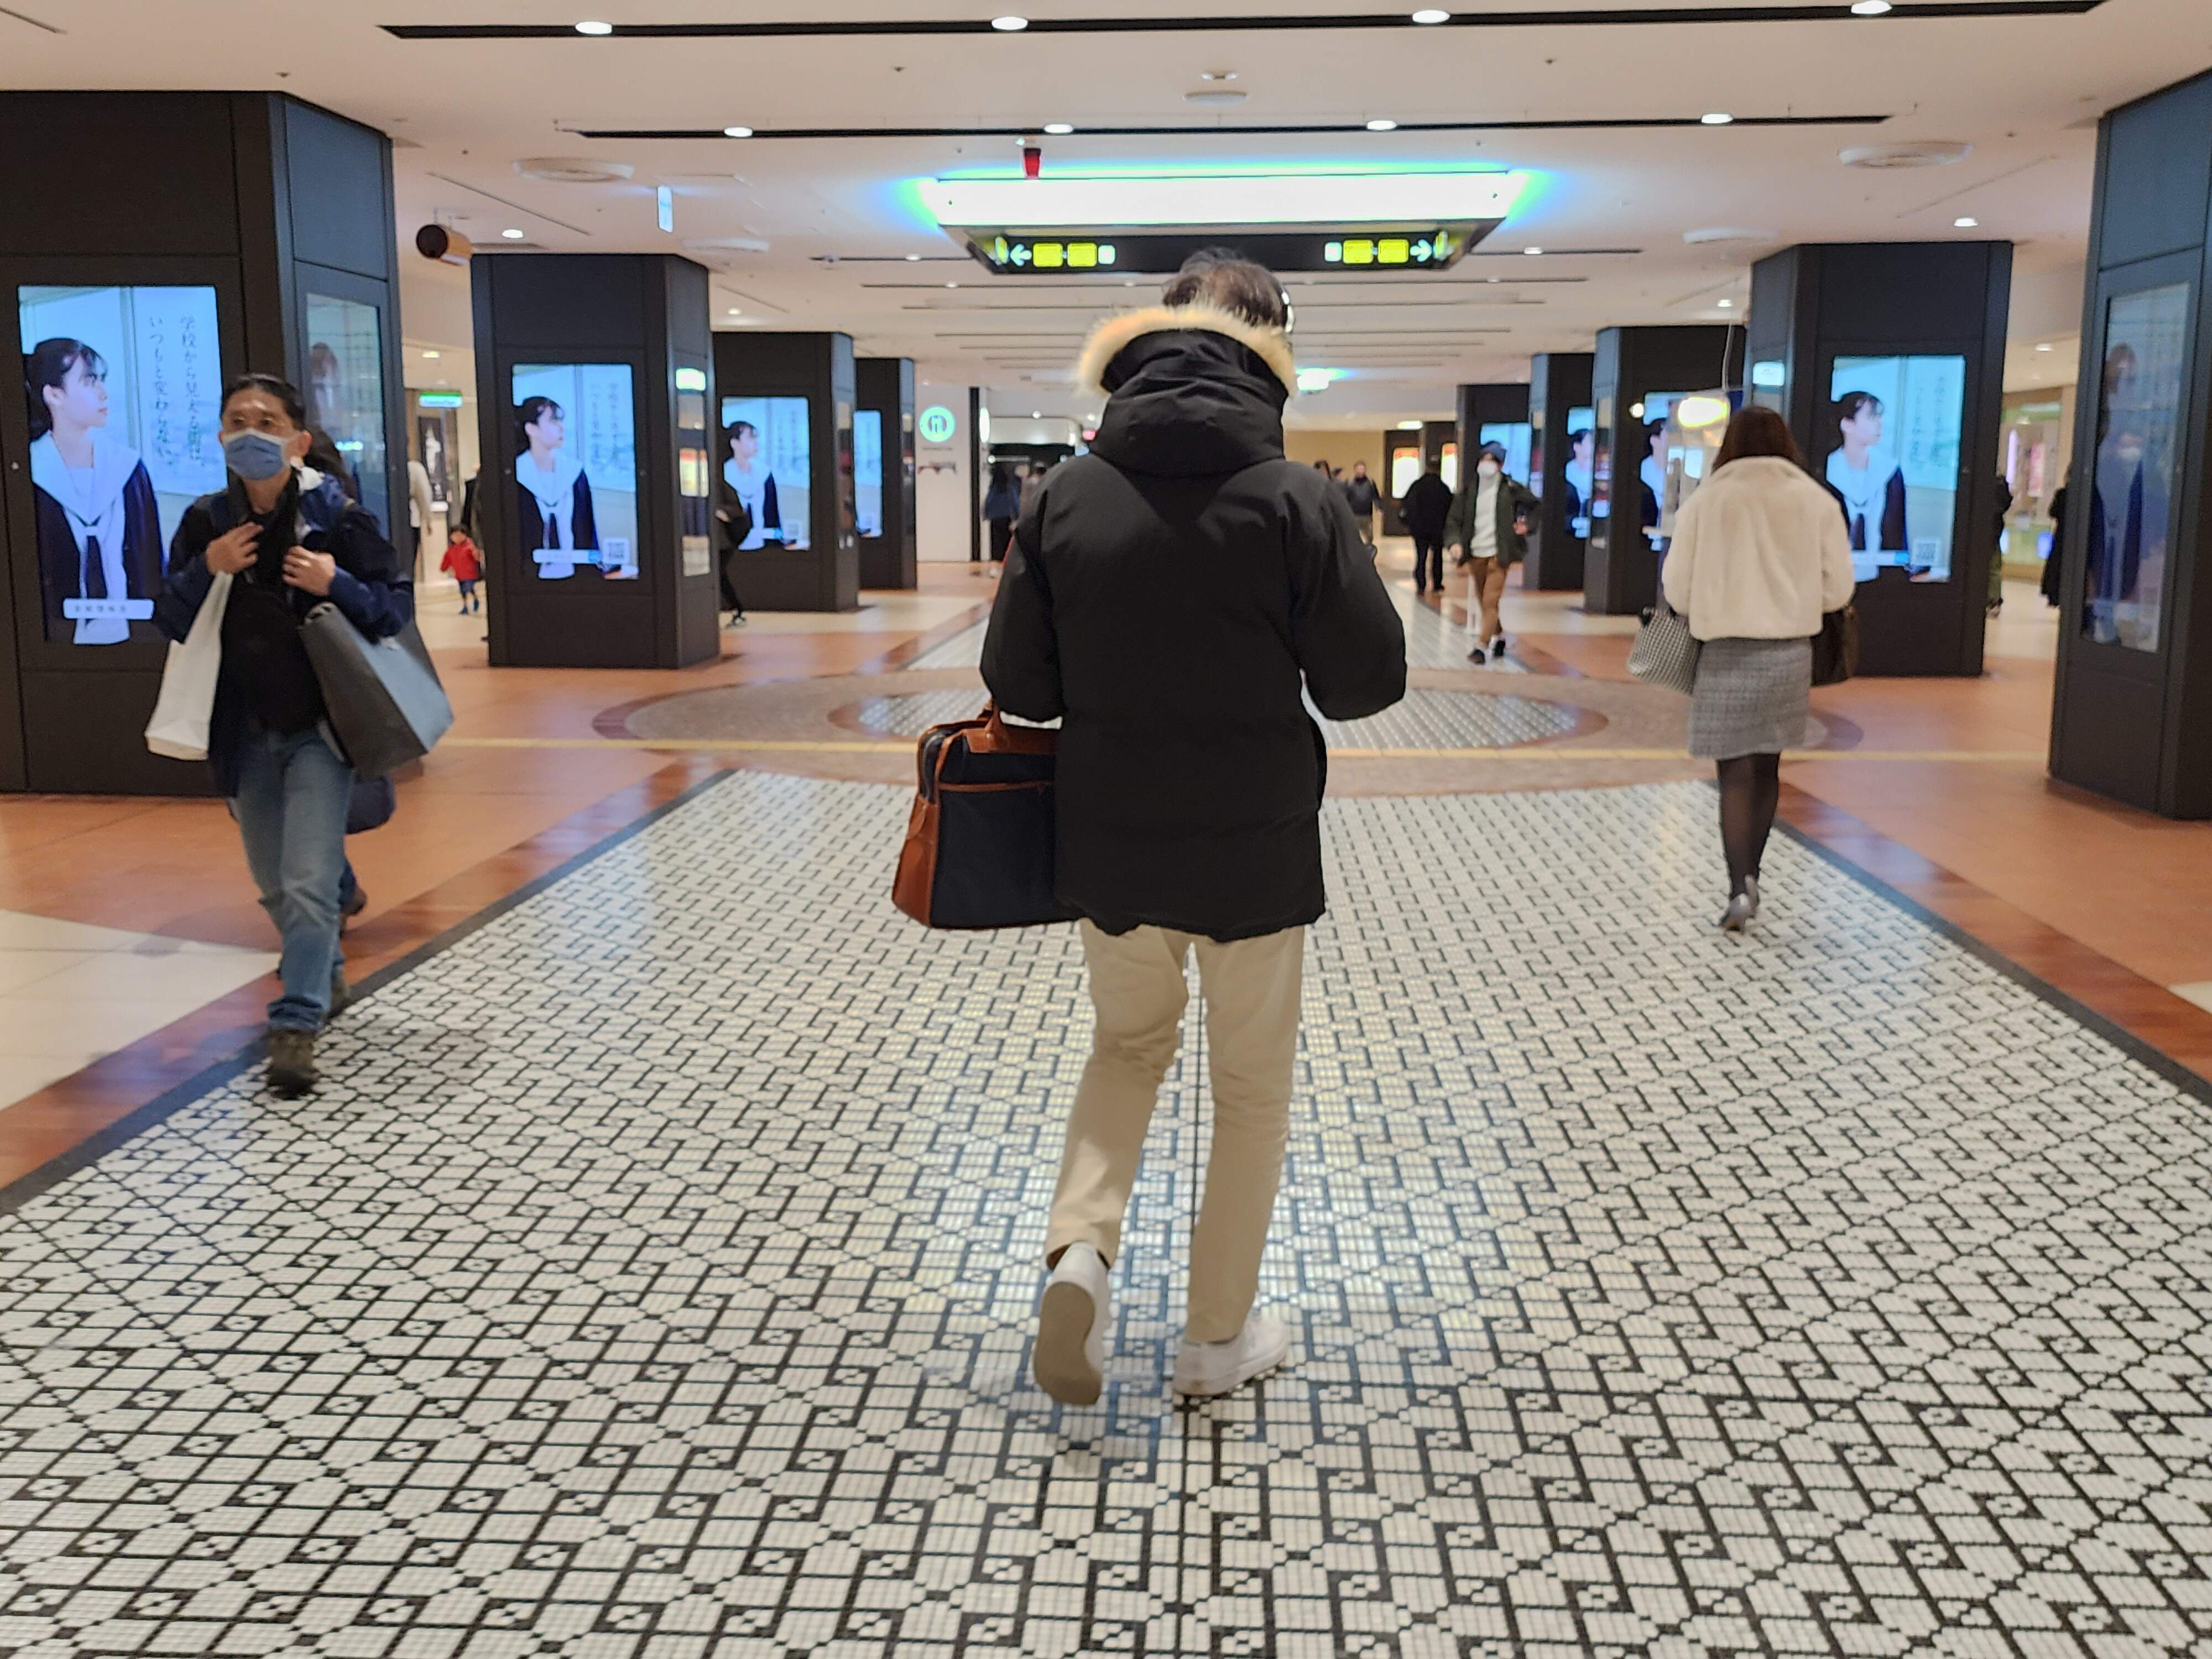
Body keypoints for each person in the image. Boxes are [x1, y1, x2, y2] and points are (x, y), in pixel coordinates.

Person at [983, 249, 1405, 1405]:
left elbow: (1018, 683)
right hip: (1253, 843)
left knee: (1126, 1049)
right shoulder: (1296, 499)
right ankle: (1214, 1342)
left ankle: (1081, 1251)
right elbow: (1367, 683)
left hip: (1109, 837)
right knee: (1250, 1090)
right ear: (1271, 349)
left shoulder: (1064, 495)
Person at [153, 373, 413, 1094]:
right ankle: (325, 970)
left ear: (298, 440)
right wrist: (207, 571)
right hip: (242, 733)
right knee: (273, 886)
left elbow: (393, 610)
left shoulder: (338, 520)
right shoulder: (206, 523)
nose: (250, 434)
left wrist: (336, 583)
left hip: (320, 731)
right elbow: (168, 618)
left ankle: (295, 1022)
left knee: (306, 882)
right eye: (237, 421)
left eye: (266, 422)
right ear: (220, 437)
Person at [1660, 405, 1853, 932]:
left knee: (1733, 773)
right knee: (1768, 766)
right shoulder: (1815, 500)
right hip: (1787, 653)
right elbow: (1839, 589)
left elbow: (1677, 590)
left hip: (1724, 653)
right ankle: (1754, 875)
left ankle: (1737, 886)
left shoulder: (1706, 501)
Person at [24, 337, 164, 646]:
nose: (103, 393)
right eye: (89, 382)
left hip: (130, 637)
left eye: (102, 380)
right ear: (54, 394)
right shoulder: (30, 473)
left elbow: (150, 562)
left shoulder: (128, 468)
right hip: (51, 644)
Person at [1443, 441, 1538, 663]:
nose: (1487, 464)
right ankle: (1499, 636)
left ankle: (1481, 647)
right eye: (1484, 459)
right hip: (1476, 553)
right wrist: (1455, 543)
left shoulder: (1511, 489)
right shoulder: (1469, 491)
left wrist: (1527, 526)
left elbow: (1535, 506)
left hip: (1499, 553)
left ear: (1501, 465)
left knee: (1490, 600)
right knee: (1483, 600)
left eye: (1492, 460)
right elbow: (1454, 520)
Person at [1823, 390, 1908, 575]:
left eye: (1880, 417)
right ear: (1847, 424)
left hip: (1880, 578)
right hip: (1833, 576)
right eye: (1871, 417)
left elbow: (1897, 532)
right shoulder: (1827, 469)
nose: (1880, 423)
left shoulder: (1890, 471)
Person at [515, 395, 599, 580]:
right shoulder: (517, 475)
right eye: (553, 421)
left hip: (574, 575)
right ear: (531, 428)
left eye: (561, 421)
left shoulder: (574, 472)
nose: (561, 427)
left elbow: (587, 528)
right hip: (530, 579)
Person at [1399, 457, 1454, 598]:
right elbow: (1451, 509)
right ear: (1439, 469)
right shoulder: (1443, 488)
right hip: (1437, 529)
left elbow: (1407, 505)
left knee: (1421, 556)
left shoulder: (1417, 486)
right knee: (1437, 556)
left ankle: (1421, 584)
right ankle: (1437, 583)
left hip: (1420, 528)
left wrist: (1407, 523)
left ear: (1427, 468)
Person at [723, 419, 782, 550]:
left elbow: (772, 515)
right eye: (750, 438)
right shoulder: (725, 473)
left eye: (756, 438)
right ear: (735, 443)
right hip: (733, 548)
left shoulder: (764, 473)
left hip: (764, 548)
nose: (755, 442)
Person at [981, 461, 1020, 574]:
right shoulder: (1009, 487)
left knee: (996, 543)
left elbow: (989, 501)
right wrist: (1017, 516)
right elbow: (1015, 502)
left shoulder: (994, 488)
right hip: (1007, 518)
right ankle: (1005, 567)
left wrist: (986, 514)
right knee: (1006, 543)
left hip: (995, 519)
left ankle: (995, 568)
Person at [441, 524, 483, 613]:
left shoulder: (469, 547)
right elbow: (447, 560)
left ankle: (474, 600)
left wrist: (477, 555)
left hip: (470, 574)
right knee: (463, 592)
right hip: (460, 575)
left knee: (467, 588)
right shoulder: (451, 550)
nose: (458, 538)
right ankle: (466, 606)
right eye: (455, 535)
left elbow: (476, 555)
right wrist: (443, 568)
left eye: (460, 535)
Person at [2042, 478, 2069, 608]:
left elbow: (2052, 512)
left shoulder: (2062, 494)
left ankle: (2053, 595)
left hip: (2060, 534)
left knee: (2056, 563)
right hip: (2073, 535)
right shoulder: (2083, 496)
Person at [1342, 460, 1383, 550]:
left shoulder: (1371, 483)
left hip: (1367, 515)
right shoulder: (1349, 484)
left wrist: (1378, 508)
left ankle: (1368, 554)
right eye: (1359, 469)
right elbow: (1346, 499)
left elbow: (1376, 497)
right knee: (1352, 537)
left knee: (1369, 537)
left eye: (1362, 469)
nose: (1360, 471)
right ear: (1355, 470)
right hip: (1354, 515)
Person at [1989, 474, 2013, 617]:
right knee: (1994, 567)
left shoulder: (1988, 483)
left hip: (1986, 530)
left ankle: (1992, 600)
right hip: (1996, 530)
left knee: (1991, 566)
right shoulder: (2000, 484)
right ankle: (1994, 600)